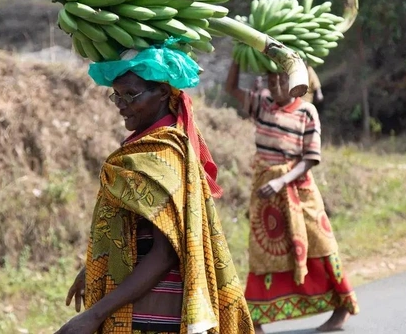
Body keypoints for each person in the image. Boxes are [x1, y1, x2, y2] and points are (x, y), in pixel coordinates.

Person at [55, 44, 254, 334]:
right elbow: (135, 229)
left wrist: (93, 315)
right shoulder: (148, 144)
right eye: (117, 95)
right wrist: (94, 267)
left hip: (155, 308)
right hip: (138, 299)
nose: (121, 104)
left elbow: (164, 253)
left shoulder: (162, 153)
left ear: (162, 92)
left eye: (131, 95)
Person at [225, 60, 359, 334]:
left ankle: (342, 306)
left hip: (298, 188)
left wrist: (281, 182)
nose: (275, 87)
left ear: (295, 82)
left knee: (320, 245)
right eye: (271, 81)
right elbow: (230, 87)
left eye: (281, 81)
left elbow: (310, 158)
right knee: (264, 254)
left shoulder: (307, 112)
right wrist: (239, 58)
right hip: (265, 193)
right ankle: (256, 320)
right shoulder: (262, 105)